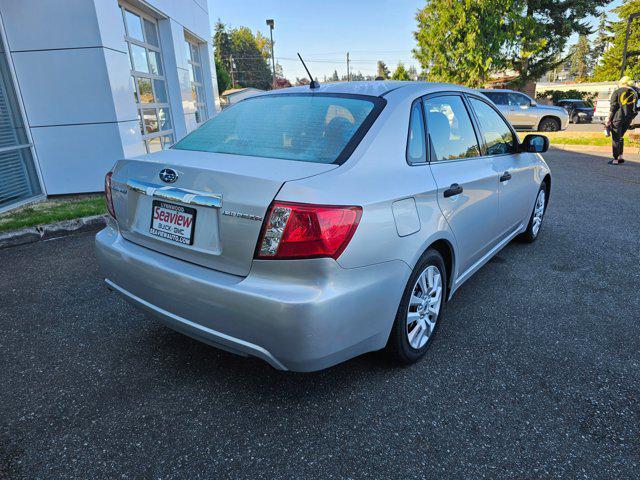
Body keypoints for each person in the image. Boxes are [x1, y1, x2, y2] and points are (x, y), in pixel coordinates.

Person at [606, 76, 638, 165]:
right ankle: (620, 157)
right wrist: (632, 116)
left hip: (617, 118)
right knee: (620, 136)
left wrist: (608, 119)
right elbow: (636, 107)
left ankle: (615, 159)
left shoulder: (617, 92)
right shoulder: (635, 93)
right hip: (628, 119)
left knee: (616, 137)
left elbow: (613, 107)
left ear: (622, 83)